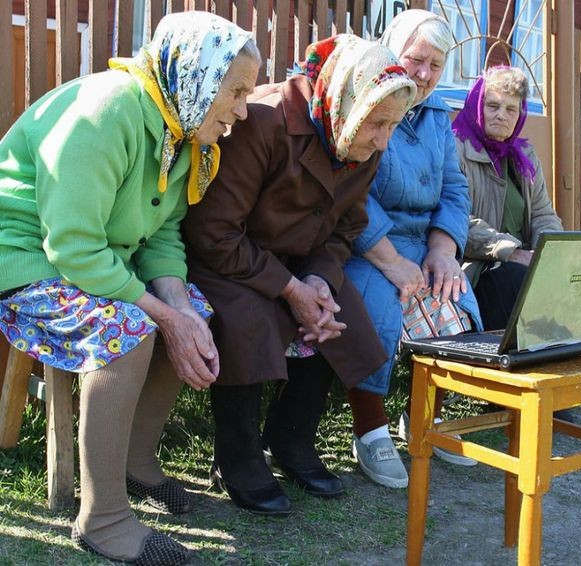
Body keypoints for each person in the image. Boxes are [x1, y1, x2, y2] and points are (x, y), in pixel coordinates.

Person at [0, 12, 260, 565]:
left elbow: (161, 232)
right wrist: (159, 313)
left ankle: (136, 462)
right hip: (23, 261)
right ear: (196, 74)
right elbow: (70, 246)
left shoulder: (180, 127)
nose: (242, 110)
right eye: (235, 91)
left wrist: (179, 310)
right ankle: (104, 518)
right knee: (131, 327)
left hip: (91, 262)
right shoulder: (107, 112)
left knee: (193, 311)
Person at [182, 34, 416, 516]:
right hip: (228, 260)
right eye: (377, 123)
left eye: (393, 126)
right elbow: (214, 232)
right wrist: (289, 288)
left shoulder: (358, 138)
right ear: (349, 97)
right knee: (245, 318)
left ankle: (291, 439)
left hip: (297, 264)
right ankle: (238, 454)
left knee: (339, 312)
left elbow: (348, 226)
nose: (383, 140)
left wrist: (319, 282)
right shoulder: (266, 120)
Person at [340, 10, 483, 490]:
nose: (423, 74)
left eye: (435, 65)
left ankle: (424, 420)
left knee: (453, 305)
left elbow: (455, 191)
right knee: (379, 312)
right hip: (366, 244)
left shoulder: (438, 116)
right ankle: (370, 432)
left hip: (424, 245)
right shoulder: (368, 98)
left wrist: (443, 251)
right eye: (415, 59)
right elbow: (351, 190)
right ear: (391, 52)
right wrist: (392, 262)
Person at [452, 66, 563, 331]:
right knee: (517, 279)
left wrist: (547, 254)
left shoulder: (524, 157)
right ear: (478, 105)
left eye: (510, 109)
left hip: (521, 264)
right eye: (493, 106)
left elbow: (543, 214)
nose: (501, 115)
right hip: (475, 270)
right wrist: (512, 252)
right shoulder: (456, 148)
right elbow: (456, 220)